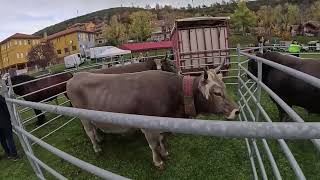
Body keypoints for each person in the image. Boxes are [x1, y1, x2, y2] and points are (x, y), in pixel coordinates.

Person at [0, 95, 19, 161]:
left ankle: (8, 153)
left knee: (2, 139)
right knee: (9, 137)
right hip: (3, 120)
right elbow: (5, 105)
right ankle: (14, 155)